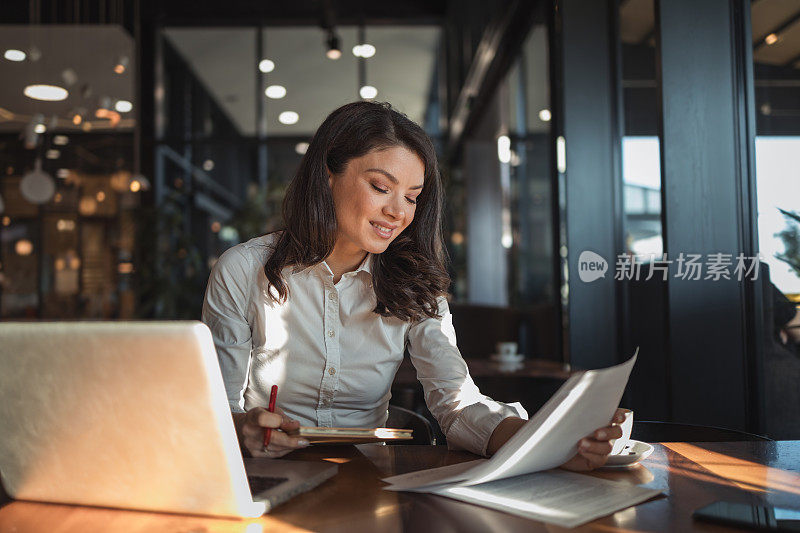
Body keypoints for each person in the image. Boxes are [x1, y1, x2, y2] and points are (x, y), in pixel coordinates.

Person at [202, 101, 623, 468]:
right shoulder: (243, 269)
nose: (398, 212)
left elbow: (456, 402)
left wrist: (550, 442)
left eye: (412, 196)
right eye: (381, 187)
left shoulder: (415, 282)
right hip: (263, 473)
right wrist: (245, 428)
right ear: (328, 174)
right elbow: (218, 407)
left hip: (368, 479)